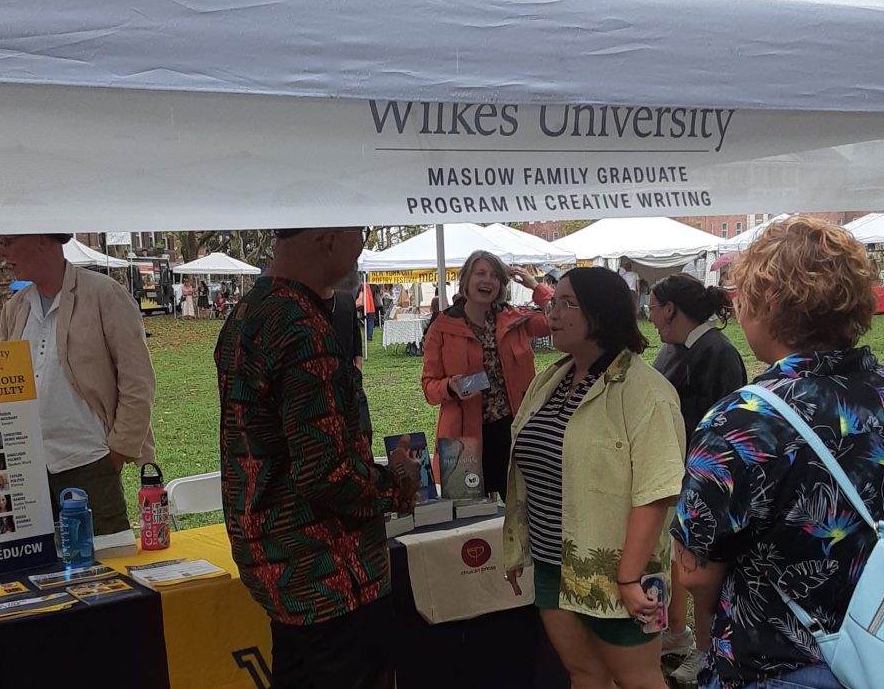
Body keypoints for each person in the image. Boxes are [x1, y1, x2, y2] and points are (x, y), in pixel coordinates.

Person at [671, 217, 884, 689]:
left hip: (777, 666)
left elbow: (696, 569)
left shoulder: (741, 417)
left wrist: (709, 646)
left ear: (767, 303)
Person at [216, 226, 419, 689]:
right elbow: (326, 473)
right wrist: (398, 483)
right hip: (329, 574)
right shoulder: (303, 328)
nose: (363, 247)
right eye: (361, 234)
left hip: (277, 560)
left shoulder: (250, 311)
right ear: (327, 238)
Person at [503, 267, 686, 689]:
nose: (553, 313)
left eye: (568, 304)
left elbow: (657, 491)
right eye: (553, 303)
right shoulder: (551, 380)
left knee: (638, 679)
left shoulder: (646, 391)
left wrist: (627, 576)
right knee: (583, 673)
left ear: (600, 314)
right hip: (553, 564)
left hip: (625, 573)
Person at [0, 233, 156, 536]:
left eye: (8, 241)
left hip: (90, 463)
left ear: (42, 239)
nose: (2, 251)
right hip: (28, 469)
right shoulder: (16, 307)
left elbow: (138, 381)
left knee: (107, 572)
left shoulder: (104, 294)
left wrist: (118, 452)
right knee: (38, 571)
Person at [647, 273, 747, 682]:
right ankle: (685, 639)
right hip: (674, 474)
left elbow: (728, 428)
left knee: (702, 572)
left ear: (670, 309)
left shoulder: (717, 352)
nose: (648, 316)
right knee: (680, 563)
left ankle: (706, 654)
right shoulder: (675, 347)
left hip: (705, 483)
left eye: (652, 307)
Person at [421, 251, 553, 500]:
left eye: (494, 275)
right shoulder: (442, 326)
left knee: (521, 509)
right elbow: (429, 387)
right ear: (466, 280)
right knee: (468, 521)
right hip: (462, 439)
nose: (488, 280)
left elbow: (557, 319)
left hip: (513, 432)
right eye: (480, 273)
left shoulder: (515, 320)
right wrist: (450, 385)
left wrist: (536, 287)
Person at [323, 277, 374, 444]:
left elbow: (355, 333)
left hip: (350, 374)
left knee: (363, 430)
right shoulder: (306, 303)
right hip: (322, 378)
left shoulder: (346, 298)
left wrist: (358, 365)